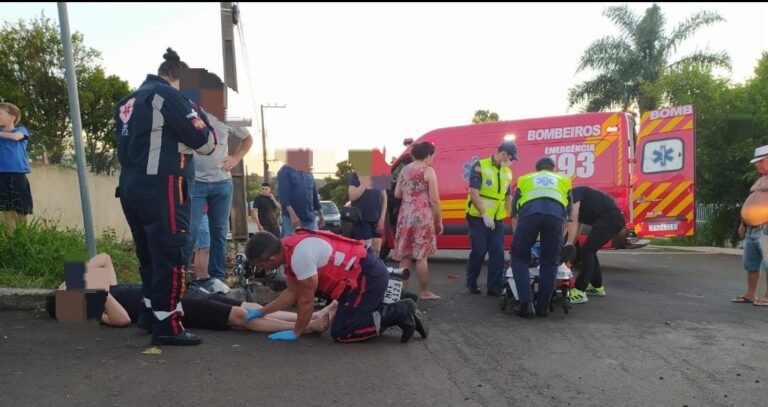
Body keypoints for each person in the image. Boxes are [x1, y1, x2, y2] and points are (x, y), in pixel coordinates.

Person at [114, 48, 217, 346]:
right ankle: (168, 326)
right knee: (171, 255)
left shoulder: (128, 100)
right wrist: (194, 107)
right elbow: (206, 142)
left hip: (130, 185)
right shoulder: (168, 95)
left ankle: (150, 315)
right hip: (164, 187)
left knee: (148, 255)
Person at [45, 253, 336, 334]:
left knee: (246, 305)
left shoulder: (105, 286)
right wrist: (96, 293)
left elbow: (104, 258)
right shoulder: (98, 308)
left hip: (176, 293)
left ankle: (310, 318)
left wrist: (72, 278)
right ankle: (309, 326)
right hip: (174, 307)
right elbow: (122, 320)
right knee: (238, 316)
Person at [244, 230, 428, 343]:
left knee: (343, 332)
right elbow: (292, 293)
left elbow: (306, 301)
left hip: (366, 278)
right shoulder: (288, 245)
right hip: (365, 271)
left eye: (261, 265)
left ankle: (399, 311)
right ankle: (396, 296)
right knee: (348, 318)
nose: (262, 269)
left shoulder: (300, 257)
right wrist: (261, 312)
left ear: (271, 259)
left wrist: (296, 332)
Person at [180, 69, 254, 288]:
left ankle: (217, 279)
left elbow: (248, 139)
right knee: (190, 231)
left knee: (220, 233)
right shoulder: (188, 112)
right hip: (196, 182)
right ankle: (180, 278)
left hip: (222, 183)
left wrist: (235, 158)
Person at [509, 156, 572, 318]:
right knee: (550, 262)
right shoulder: (564, 180)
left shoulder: (525, 179)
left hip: (529, 215)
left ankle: (526, 304)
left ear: (536, 169)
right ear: (553, 168)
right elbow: (569, 215)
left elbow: (514, 211)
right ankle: (543, 307)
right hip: (555, 218)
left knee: (519, 257)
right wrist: (560, 240)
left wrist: (518, 238)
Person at [465, 141, 518, 296]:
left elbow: (508, 197)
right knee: (479, 251)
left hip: (497, 219)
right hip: (478, 217)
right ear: (503, 154)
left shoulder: (507, 172)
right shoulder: (480, 166)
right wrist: (484, 214)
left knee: (498, 253)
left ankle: (494, 288)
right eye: (511, 158)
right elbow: (473, 192)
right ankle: (471, 281)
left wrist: (513, 218)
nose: (511, 161)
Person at [393, 141, 443, 300]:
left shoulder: (404, 170)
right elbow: (434, 199)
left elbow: (397, 194)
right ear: (427, 155)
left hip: (405, 215)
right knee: (421, 256)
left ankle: (401, 292)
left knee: (405, 255)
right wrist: (439, 220)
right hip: (422, 216)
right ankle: (424, 292)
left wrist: (410, 195)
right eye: (433, 156)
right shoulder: (428, 171)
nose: (433, 159)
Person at [562, 186, 629, 304]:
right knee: (589, 250)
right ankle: (597, 287)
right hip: (610, 220)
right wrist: (572, 242)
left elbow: (573, 220)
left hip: (609, 220)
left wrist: (568, 243)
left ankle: (579, 291)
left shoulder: (573, 194)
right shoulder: (577, 196)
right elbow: (579, 224)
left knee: (587, 251)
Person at [733, 145, 768, 306]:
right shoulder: (761, 178)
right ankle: (750, 294)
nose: (756, 164)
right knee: (751, 264)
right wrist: (743, 223)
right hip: (751, 229)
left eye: (760, 161)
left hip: (765, 227)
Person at [0, 102, 33, 231]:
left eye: (0, 113)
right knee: (5, 207)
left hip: (17, 175)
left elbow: (15, 137)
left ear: (12, 117)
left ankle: (23, 235)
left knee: (21, 207)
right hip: (1, 175)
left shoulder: (20, 130)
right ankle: (10, 235)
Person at [277, 150, 324, 236]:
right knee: (292, 243)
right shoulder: (284, 171)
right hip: (292, 219)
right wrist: (293, 215)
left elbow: (314, 194)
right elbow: (284, 196)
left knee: (313, 241)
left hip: (310, 218)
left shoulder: (308, 172)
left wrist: (321, 213)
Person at [347, 172, 387, 255]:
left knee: (377, 250)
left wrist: (382, 217)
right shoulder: (356, 175)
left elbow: (384, 199)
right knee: (367, 251)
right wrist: (364, 183)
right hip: (361, 219)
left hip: (376, 219)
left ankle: (375, 264)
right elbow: (352, 196)